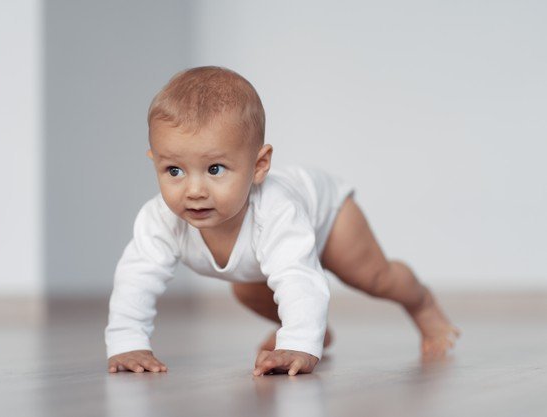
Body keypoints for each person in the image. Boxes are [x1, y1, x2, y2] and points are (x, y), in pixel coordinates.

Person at [105, 66, 460, 376]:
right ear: (155, 163)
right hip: (261, 258)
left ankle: (422, 304)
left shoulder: (276, 210)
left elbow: (298, 275)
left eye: (215, 169)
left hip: (328, 216)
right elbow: (136, 277)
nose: (194, 190)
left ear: (259, 166)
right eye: (174, 170)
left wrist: (297, 344)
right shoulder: (160, 219)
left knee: (373, 277)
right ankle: (318, 329)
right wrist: (127, 341)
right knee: (247, 290)